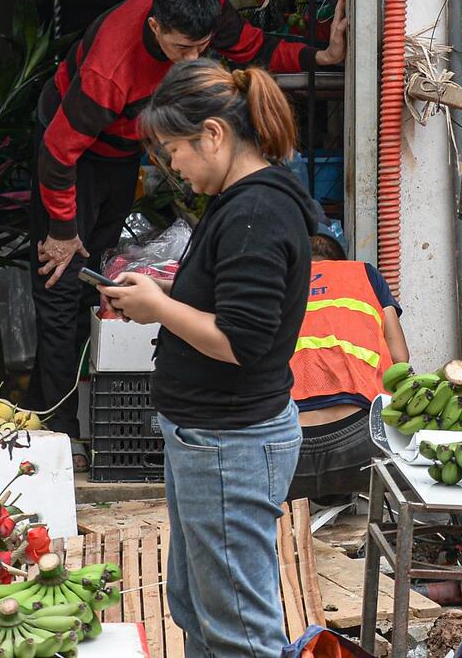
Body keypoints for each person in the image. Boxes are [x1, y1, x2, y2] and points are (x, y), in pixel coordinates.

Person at [31, 0, 345, 436]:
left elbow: (252, 46)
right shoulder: (108, 68)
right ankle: (56, 425)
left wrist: (322, 55)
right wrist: (61, 231)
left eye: (203, 47)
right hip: (70, 152)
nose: (193, 59)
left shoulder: (206, 5)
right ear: (155, 27)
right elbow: (58, 153)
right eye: (183, 49)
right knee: (60, 280)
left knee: (92, 274)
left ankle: (81, 413)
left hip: (119, 149)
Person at [100, 60, 313, 658]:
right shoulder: (241, 201)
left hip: (231, 442)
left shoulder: (255, 213)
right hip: (212, 437)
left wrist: (161, 309)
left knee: (240, 629)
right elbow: (230, 309)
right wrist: (158, 298)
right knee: (200, 606)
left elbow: (240, 341)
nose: (172, 166)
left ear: (214, 134)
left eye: (174, 150)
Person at [287, 222, 408, 505]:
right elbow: (400, 357)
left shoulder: (277, 280)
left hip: (284, 451)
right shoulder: (363, 274)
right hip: (360, 444)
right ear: (340, 262)